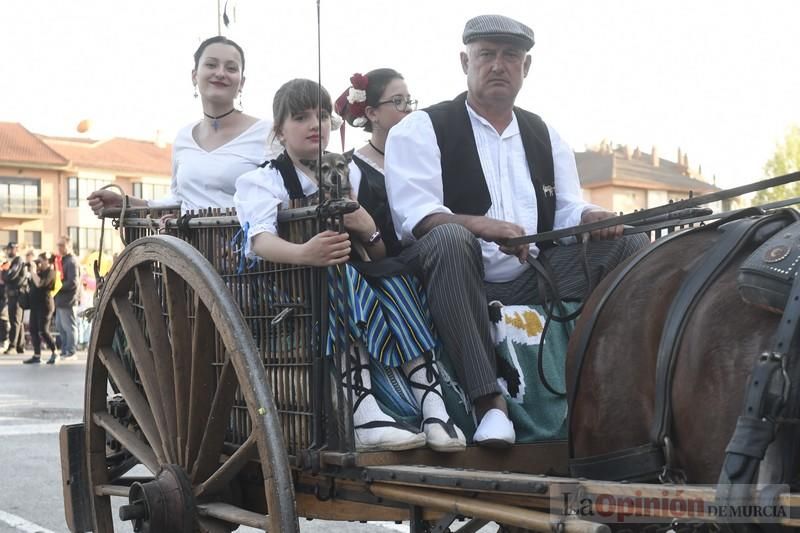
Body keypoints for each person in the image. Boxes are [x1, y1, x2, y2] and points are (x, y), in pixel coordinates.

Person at [385, 15, 649, 447]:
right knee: (452, 238)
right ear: (464, 61)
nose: (498, 65)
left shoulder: (544, 133)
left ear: (525, 69)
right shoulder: (423, 127)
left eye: (510, 57)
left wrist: (587, 217)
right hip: (447, 277)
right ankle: (489, 404)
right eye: (486, 54)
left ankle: (621, 387)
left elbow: (564, 210)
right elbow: (417, 217)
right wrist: (478, 226)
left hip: (530, 279)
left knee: (630, 243)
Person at [235, 78, 466, 452]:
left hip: (347, 272)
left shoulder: (349, 172)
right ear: (279, 130)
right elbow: (259, 241)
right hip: (285, 285)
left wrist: (369, 228)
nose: (315, 124)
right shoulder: (263, 180)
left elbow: (374, 253)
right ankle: (363, 409)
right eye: (300, 117)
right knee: (341, 278)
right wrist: (305, 253)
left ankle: (432, 401)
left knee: (397, 279)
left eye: (323, 116)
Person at [87, 36, 273, 216]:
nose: (220, 73)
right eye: (211, 65)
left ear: (242, 82)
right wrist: (124, 202)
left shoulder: (267, 133)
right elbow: (178, 200)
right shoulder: (184, 136)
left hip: (246, 246)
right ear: (194, 76)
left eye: (231, 68)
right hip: (188, 246)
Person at [334, 69, 416, 257]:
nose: (409, 108)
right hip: (383, 274)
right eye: (398, 101)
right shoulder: (352, 168)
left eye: (409, 100)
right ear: (372, 113)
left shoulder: (424, 157)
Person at [23, 253, 58, 364]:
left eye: (41, 261)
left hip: (45, 306)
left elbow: (39, 284)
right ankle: (37, 355)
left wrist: (33, 271)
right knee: (33, 329)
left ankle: (55, 352)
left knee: (43, 330)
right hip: (35, 305)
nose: (39, 263)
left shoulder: (51, 273)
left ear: (47, 261)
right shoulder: (39, 272)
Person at [54, 236, 79, 358]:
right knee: (60, 326)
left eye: (62, 245)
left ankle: (71, 351)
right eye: (58, 245)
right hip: (60, 299)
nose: (59, 247)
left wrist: (57, 286)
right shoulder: (63, 260)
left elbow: (73, 282)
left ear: (68, 246)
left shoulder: (72, 261)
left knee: (69, 327)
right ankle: (64, 350)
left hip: (68, 299)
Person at [2, 242, 28, 355]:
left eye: (10, 249)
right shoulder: (13, 262)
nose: (8, 251)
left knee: (15, 321)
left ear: (16, 249)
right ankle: (20, 345)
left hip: (17, 295)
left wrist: (4, 272)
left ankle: (13, 345)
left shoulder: (18, 261)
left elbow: (10, 275)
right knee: (18, 321)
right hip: (13, 295)